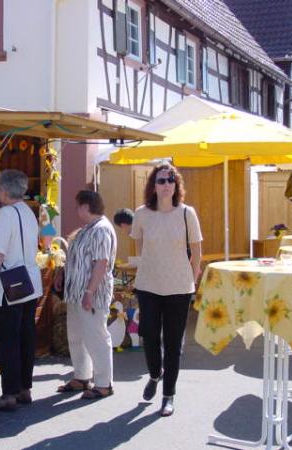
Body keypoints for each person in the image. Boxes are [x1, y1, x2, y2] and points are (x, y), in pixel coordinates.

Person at [130, 163, 202, 417]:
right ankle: (154, 374)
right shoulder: (142, 213)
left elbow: (196, 252)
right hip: (149, 285)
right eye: (160, 180)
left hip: (179, 287)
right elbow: (140, 247)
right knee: (149, 336)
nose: (166, 184)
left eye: (170, 180)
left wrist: (192, 283)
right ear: (153, 185)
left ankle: (168, 395)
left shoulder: (187, 213)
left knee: (173, 344)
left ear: (176, 184)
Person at [0, 170, 43, 411]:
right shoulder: (28, 211)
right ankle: (24, 388)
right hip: (30, 282)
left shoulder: (6, 213)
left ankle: (8, 394)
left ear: (4, 191)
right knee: (26, 336)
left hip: (9, 285)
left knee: (7, 340)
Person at [54, 190, 117, 399]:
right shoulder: (87, 229)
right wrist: (63, 273)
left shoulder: (100, 230)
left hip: (91, 294)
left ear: (86, 206)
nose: (76, 209)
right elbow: (76, 257)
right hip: (76, 293)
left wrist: (89, 291)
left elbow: (102, 263)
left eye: (78, 205)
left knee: (96, 337)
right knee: (76, 336)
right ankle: (82, 376)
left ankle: (104, 383)